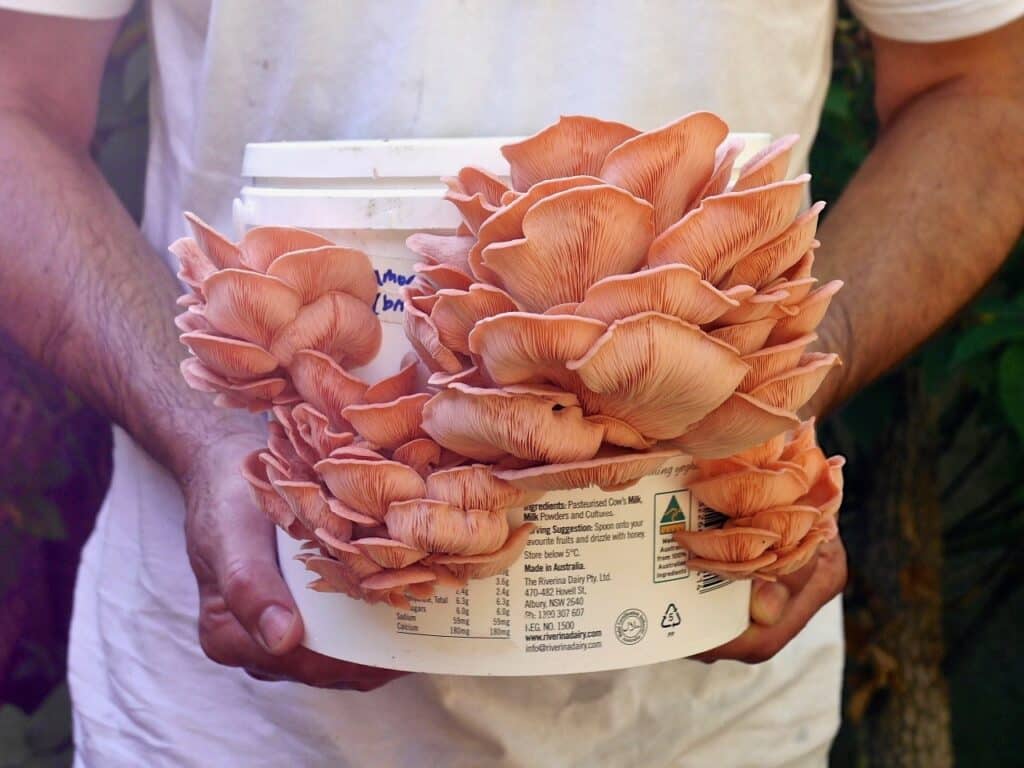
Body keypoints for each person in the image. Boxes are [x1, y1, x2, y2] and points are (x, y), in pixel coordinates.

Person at [1, 1, 1021, 765]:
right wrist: (198, 425)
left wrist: (779, 375)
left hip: (700, 718)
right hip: (224, 722)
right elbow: (15, 104)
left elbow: (985, 91)